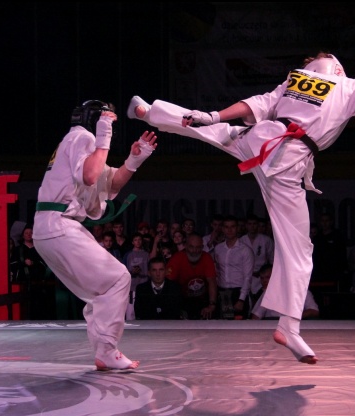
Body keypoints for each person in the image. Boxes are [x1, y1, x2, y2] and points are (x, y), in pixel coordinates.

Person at [128, 51, 355, 364]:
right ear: (338, 68)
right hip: (286, 162)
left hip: (260, 140)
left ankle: (150, 112)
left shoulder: (295, 80)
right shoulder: (350, 86)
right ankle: (289, 327)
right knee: (299, 250)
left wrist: (214, 114)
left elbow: (254, 105)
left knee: (216, 130)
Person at [32, 99, 157, 370]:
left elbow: (109, 182)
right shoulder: (82, 137)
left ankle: (104, 351)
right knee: (119, 278)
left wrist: (135, 159)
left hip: (50, 228)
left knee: (101, 291)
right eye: (108, 118)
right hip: (59, 225)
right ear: (97, 119)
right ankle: (107, 350)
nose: (112, 123)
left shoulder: (76, 142)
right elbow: (90, 176)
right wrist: (104, 134)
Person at [165, 233, 217, 320]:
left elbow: (212, 281)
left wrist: (212, 305)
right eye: (191, 247)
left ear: (202, 247)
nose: (194, 251)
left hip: (203, 300)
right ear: (185, 246)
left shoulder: (206, 257)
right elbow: (168, 284)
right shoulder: (177, 258)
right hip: (182, 299)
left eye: (198, 247)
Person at [213, 215, 254, 319]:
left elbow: (248, 277)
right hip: (222, 291)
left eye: (232, 226)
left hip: (239, 292)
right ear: (223, 229)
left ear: (237, 228)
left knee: (239, 326)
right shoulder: (218, 248)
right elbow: (217, 271)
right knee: (221, 325)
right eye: (226, 227)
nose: (229, 230)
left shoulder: (245, 250)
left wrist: (241, 299)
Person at [251, 263, 319, 320]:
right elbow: (256, 315)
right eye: (262, 278)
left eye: (268, 277)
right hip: (272, 324)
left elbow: (314, 311)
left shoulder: (301, 290)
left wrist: (292, 317)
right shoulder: (268, 292)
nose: (264, 281)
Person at [239, 213, 275, 310]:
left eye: (254, 224)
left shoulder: (266, 240)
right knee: (248, 301)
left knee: (262, 302)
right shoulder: (241, 241)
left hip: (262, 276)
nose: (252, 226)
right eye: (250, 224)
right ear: (246, 226)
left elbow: (272, 260)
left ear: (258, 225)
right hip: (246, 276)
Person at [124, 232, 150, 320]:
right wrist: (132, 272)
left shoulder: (146, 254)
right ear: (132, 242)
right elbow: (124, 270)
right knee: (130, 311)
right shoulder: (129, 255)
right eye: (135, 240)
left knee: (144, 309)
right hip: (132, 287)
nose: (138, 242)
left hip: (144, 285)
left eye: (139, 240)